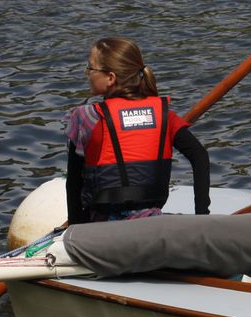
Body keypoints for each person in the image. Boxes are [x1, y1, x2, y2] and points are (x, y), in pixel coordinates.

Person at [65, 37, 210, 224]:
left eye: (90, 68)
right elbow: (200, 156)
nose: (87, 73)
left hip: (101, 227)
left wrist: (76, 232)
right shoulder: (165, 116)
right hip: (151, 221)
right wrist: (202, 216)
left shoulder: (87, 118)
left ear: (111, 78)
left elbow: (74, 184)